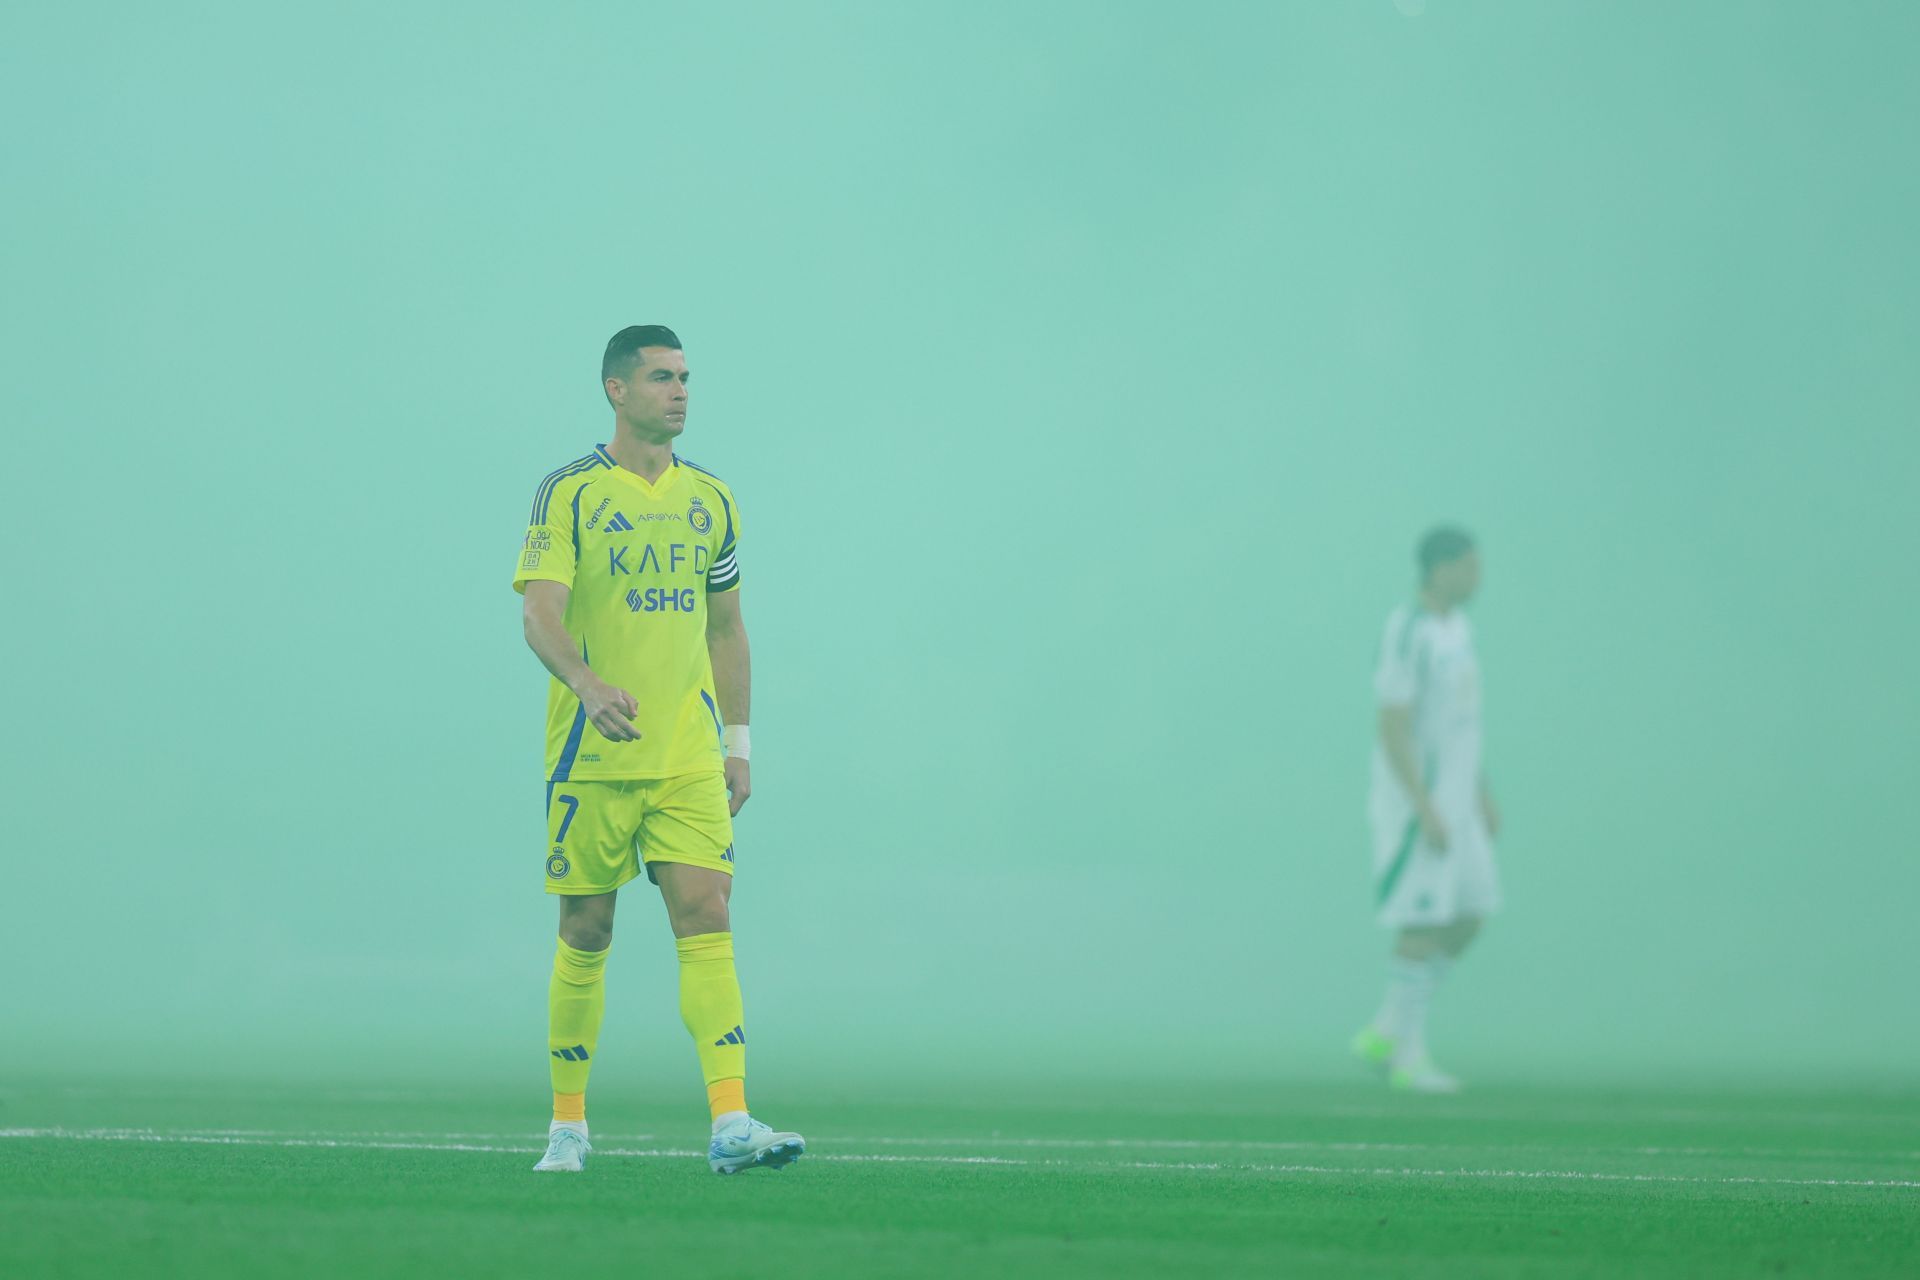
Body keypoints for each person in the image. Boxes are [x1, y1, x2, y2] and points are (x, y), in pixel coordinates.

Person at [512, 324, 804, 1173]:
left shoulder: (712, 498)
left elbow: (727, 626)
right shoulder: (567, 493)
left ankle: (731, 1122)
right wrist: (590, 686)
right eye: (661, 378)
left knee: (708, 914)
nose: (679, 392)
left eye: (685, 378)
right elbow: (539, 614)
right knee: (588, 927)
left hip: (685, 754)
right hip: (591, 756)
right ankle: (568, 1125)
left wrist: (739, 743)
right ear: (616, 390)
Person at [1351, 527, 1501, 1094]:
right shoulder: (1406, 630)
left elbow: (1460, 723)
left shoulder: (1460, 629)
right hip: (1420, 805)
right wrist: (1423, 804)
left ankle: (1388, 1025)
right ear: (1438, 569)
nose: (1477, 578)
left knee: (1472, 912)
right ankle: (1408, 1058)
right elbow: (1392, 724)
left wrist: (1480, 791)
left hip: (1461, 802)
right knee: (1422, 923)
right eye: (1467, 566)